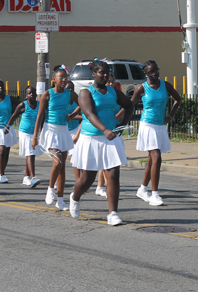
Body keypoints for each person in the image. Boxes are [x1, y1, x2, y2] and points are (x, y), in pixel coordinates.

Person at [69, 60, 134, 225]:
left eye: (107, 73)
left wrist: (121, 125)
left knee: (112, 174)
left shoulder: (113, 92)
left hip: (110, 138)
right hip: (91, 139)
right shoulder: (86, 92)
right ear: (94, 74)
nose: (105, 76)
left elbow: (129, 105)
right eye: (101, 73)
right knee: (87, 179)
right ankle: (75, 197)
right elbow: (89, 114)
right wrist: (105, 129)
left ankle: (113, 213)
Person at [131, 60, 182, 206]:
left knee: (151, 160)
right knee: (156, 157)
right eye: (151, 72)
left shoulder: (165, 85)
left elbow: (178, 99)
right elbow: (130, 105)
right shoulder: (142, 88)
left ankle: (142, 189)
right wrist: (117, 118)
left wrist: (170, 116)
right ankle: (154, 194)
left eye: (156, 70)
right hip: (147, 125)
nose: (155, 73)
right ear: (146, 74)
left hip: (160, 126)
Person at [32, 65, 79, 211]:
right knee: (57, 163)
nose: (64, 80)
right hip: (50, 130)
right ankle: (50, 189)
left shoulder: (69, 93)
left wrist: (71, 116)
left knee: (62, 167)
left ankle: (60, 200)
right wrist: (35, 136)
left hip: (63, 130)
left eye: (66, 77)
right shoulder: (48, 94)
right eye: (62, 78)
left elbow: (83, 103)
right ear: (54, 80)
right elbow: (39, 115)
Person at [6, 86, 42, 188]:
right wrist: (8, 127)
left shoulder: (39, 105)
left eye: (33, 93)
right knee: (30, 153)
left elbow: (42, 119)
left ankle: (26, 177)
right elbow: (14, 116)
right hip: (25, 132)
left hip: (34, 132)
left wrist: (42, 132)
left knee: (30, 153)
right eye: (29, 93)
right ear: (26, 95)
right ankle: (33, 177)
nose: (31, 95)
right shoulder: (23, 105)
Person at [65, 80, 82, 182]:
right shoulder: (62, 101)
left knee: (75, 156)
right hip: (63, 130)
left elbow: (84, 114)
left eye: (72, 88)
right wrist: (74, 117)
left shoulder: (77, 100)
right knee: (59, 160)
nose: (70, 90)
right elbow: (65, 116)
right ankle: (57, 182)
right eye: (68, 88)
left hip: (74, 130)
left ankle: (78, 181)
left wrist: (74, 117)